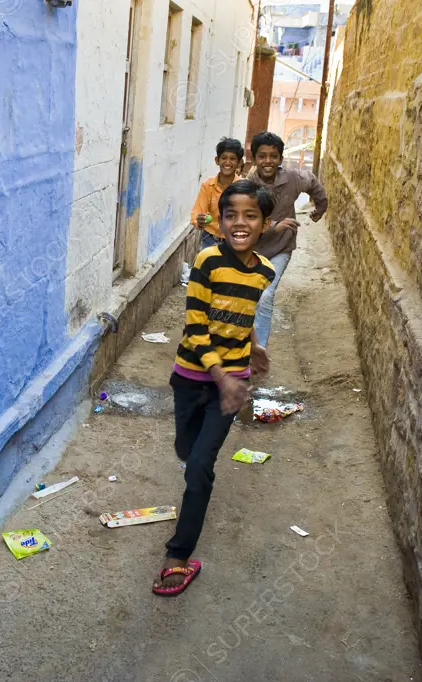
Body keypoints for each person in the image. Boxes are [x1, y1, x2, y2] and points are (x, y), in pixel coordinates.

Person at [153, 179, 275, 597]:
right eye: (231, 215)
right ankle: (193, 467)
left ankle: (177, 556)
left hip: (232, 383)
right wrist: (218, 374)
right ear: (219, 220)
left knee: (200, 467)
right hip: (191, 377)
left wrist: (253, 348)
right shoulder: (206, 260)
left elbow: (242, 313)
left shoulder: (265, 271)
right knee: (186, 452)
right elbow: (197, 326)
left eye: (250, 216)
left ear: (265, 223)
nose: (239, 223)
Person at [244, 131, 328, 346]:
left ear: (281, 159)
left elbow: (312, 182)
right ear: (254, 159)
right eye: (262, 156)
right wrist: (274, 226)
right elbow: (245, 222)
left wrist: (320, 207)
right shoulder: (247, 187)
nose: (268, 161)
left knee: (265, 296)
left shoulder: (292, 178)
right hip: (251, 250)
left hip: (280, 249)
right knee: (246, 297)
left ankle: (258, 349)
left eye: (273, 156)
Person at [190, 137, 244, 251]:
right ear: (217, 160)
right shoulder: (207, 186)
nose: (228, 162)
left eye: (233, 159)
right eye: (224, 158)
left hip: (234, 241)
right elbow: (197, 213)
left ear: (239, 163)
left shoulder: (243, 188)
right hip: (209, 239)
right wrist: (199, 221)